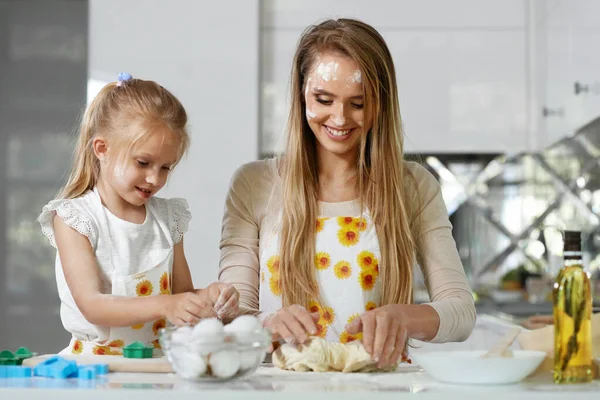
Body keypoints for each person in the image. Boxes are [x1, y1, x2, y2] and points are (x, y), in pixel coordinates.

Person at [219, 18, 476, 368]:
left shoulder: (413, 187)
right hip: (279, 386)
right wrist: (266, 322)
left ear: (381, 103)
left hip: (381, 389)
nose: (339, 119)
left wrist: (405, 317)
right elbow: (228, 314)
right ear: (300, 94)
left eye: (358, 104)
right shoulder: (254, 184)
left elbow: (460, 310)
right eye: (324, 99)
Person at [38, 73, 238, 355]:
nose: (155, 179)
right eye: (143, 163)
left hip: (156, 365)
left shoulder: (168, 219)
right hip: (94, 368)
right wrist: (166, 305)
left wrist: (210, 297)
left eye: (166, 167)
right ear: (102, 149)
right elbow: (93, 306)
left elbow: (182, 296)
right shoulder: (76, 219)